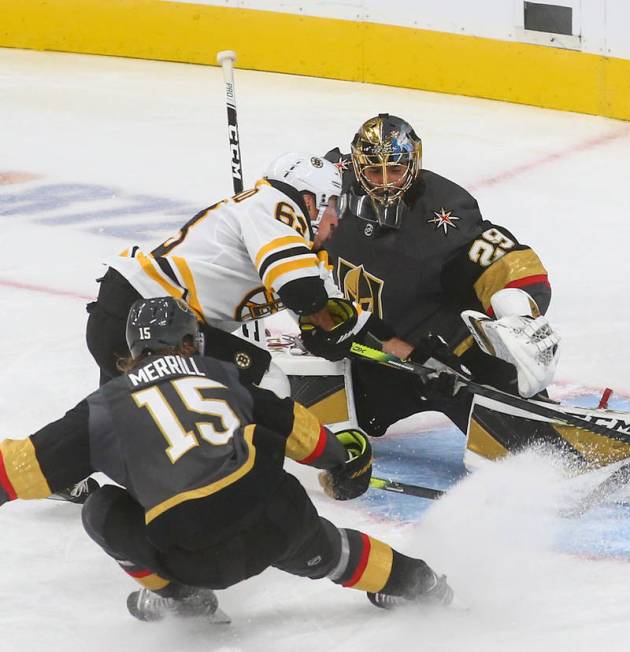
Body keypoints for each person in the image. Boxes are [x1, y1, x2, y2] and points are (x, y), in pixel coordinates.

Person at [0, 297, 453, 621]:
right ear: (190, 343)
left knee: (101, 509)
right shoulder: (222, 376)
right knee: (328, 550)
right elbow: (296, 426)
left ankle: (182, 597)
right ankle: (420, 583)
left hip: (194, 555)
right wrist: (341, 461)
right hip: (278, 521)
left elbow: (20, 469)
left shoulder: (104, 407)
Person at [69, 154, 376, 503]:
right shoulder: (274, 205)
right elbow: (303, 293)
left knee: (115, 418)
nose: (339, 220)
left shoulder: (293, 240)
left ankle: (66, 469)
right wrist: (336, 457)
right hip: (152, 318)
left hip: (128, 313)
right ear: (310, 201)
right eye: (334, 205)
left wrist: (336, 329)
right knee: (265, 382)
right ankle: (255, 493)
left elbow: (325, 320)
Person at [320, 114, 561, 438]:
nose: (386, 182)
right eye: (375, 171)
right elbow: (281, 215)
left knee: (521, 431)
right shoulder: (329, 186)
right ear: (358, 168)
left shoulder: (442, 211)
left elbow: (504, 261)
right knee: (339, 418)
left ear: (413, 164)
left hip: (449, 360)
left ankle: (536, 430)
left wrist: (519, 316)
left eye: (395, 169)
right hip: (376, 357)